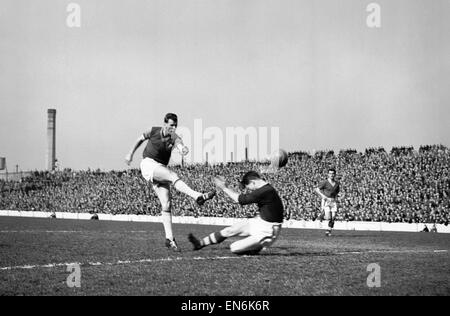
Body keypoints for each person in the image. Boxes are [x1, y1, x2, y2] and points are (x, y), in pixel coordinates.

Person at [125, 113, 216, 251]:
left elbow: (179, 145)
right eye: (171, 125)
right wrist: (130, 153)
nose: (173, 128)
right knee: (173, 176)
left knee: (166, 204)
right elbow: (140, 139)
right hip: (149, 164)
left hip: (160, 168)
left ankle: (169, 239)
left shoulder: (174, 137)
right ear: (165, 124)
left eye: (175, 125)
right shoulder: (154, 130)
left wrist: (182, 149)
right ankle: (197, 196)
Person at [188, 171, 284, 255]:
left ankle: (256, 248)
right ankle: (199, 244)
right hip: (259, 221)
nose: (251, 190)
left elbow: (240, 200)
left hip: (268, 231)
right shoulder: (266, 189)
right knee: (229, 230)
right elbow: (241, 197)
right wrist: (226, 187)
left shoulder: (264, 191)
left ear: (253, 182)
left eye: (250, 188)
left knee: (234, 247)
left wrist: (224, 188)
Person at [314, 168, 340, 236]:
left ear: (335, 174)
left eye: (333, 173)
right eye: (330, 173)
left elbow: (337, 192)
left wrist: (336, 199)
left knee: (333, 217)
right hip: (326, 200)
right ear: (328, 174)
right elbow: (316, 189)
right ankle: (320, 216)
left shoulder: (337, 183)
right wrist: (323, 196)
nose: (331, 175)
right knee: (328, 217)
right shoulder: (325, 182)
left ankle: (328, 230)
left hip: (333, 201)